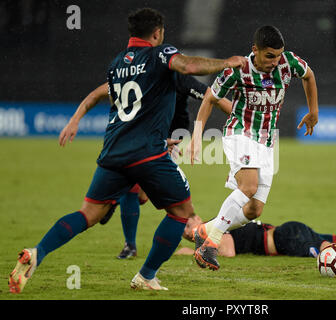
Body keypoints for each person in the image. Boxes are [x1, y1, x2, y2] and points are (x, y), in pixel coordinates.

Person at [8, 7, 246, 293]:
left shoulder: (117, 64)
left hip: (113, 153)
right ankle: (146, 275)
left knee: (88, 214)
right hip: (147, 153)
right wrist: (228, 62)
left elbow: (117, 99)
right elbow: (189, 66)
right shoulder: (161, 55)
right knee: (182, 212)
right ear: (157, 33)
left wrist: (76, 119)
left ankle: (38, 252)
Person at [188, 25, 319, 270]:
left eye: (278, 55)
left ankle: (204, 230)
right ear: (254, 50)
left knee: (253, 211)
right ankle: (209, 244)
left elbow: (309, 76)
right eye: (270, 56)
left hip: (267, 142)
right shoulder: (237, 71)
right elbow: (210, 99)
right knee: (248, 187)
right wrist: (197, 135)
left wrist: (314, 111)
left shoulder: (288, 63)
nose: (275, 61)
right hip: (240, 133)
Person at [62, 73, 232, 260]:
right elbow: (97, 93)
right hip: (143, 138)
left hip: (171, 139)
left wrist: (241, 117)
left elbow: (212, 95)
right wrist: (75, 119)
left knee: (141, 194)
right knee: (134, 186)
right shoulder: (140, 74)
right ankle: (130, 246)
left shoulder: (178, 77)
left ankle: (114, 196)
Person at [176, 206, 336, 258]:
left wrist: (196, 251)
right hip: (288, 234)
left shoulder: (216, 225)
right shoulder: (217, 223)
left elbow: (230, 251)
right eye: (185, 232)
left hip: (284, 239)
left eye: (187, 225)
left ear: (197, 216)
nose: (188, 232)